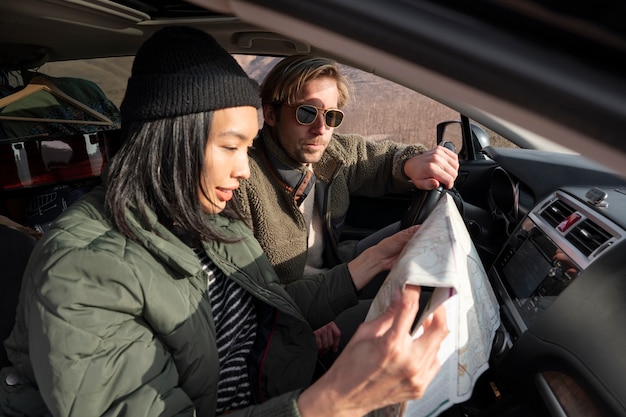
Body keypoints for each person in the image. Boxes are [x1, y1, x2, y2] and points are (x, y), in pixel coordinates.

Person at [1, 26, 447, 417]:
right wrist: (334, 401)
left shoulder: (207, 218)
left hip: (284, 386)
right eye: (231, 147)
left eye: (247, 148)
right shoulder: (80, 271)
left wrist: (367, 263)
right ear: (174, 140)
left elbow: (271, 311)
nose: (245, 169)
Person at [235, 55, 459, 358]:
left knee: (419, 236)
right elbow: (258, 300)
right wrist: (314, 313)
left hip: (334, 269)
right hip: (289, 315)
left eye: (331, 117)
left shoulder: (331, 155)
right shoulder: (242, 180)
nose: (320, 129)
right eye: (306, 113)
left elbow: (378, 159)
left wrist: (412, 163)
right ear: (271, 114)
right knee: (414, 316)